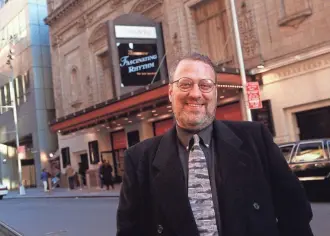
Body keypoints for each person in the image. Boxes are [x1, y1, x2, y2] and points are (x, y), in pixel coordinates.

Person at [116, 53, 313, 236]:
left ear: (215, 92)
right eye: (185, 84)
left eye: (205, 85)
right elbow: (129, 230)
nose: (195, 94)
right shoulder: (139, 158)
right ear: (170, 93)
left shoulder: (256, 139)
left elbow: (295, 211)